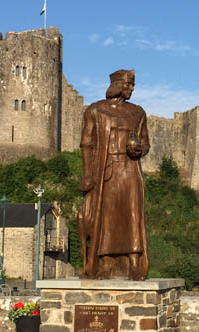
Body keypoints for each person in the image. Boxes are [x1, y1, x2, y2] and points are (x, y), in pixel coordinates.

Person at [77, 69, 150, 280]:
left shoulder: (138, 113)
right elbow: (87, 143)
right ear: (117, 84)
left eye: (133, 84)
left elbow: (145, 142)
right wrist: (88, 173)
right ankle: (106, 262)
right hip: (106, 170)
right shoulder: (96, 110)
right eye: (129, 84)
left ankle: (134, 260)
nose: (131, 88)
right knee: (108, 216)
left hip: (130, 170)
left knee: (132, 215)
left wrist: (140, 149)